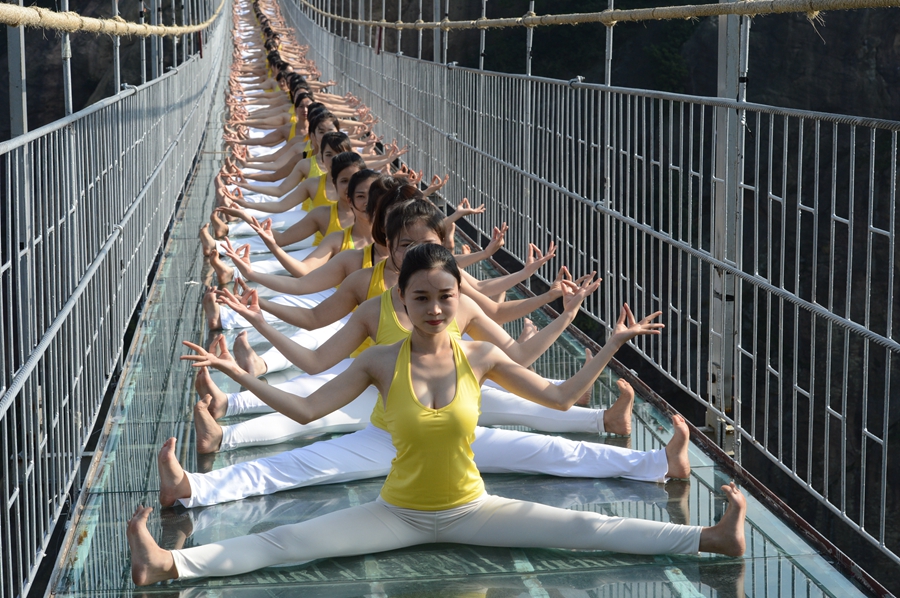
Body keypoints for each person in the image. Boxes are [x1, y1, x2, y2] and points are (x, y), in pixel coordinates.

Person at [127, 244, 746, 584]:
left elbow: (557, 398)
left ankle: (711, 537)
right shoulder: (380, 362)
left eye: (445, 297)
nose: (434, 308)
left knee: (586, 529)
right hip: (396, 514)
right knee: (284, 542)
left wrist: (609, 344)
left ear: (458, 299)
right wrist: (242, 379)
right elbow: (306, 406)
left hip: (474, 510)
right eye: (420, 297)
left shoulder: (478, 354)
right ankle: (170, 562)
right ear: (402, 299)